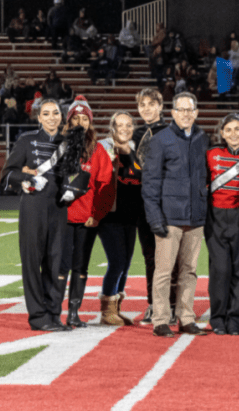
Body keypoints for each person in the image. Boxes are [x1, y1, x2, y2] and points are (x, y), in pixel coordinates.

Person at [141, 92, 210, 338]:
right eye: (181, 110)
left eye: (190, 109)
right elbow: (149, 183)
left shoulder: (203, 138)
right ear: (172, 113)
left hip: (195, 218)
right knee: (163, 271)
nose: (186, 114)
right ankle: (160, 319)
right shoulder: (160, 140)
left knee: (189, 271)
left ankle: (186, 317)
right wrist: (155, 217)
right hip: (169, 218)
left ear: (197, 112)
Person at [0, 99, 68, 331]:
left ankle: (54, 314)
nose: (51, 117)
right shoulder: (26, 141)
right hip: (33, 208)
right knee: (32, 263)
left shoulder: (67, 144)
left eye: (55, 113)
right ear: (38, 118)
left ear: (61, 117)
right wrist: (26, 178)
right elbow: (7, 175)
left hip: (60, 210)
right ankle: (38, 317)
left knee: (56, 263)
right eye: (46, 113)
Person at [59, 96, 115, 329]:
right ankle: (54, 310)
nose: (81, 122)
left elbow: (106, 186)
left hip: (86, 218)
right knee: (60, 265)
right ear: (69, 121)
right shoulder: (59, 145)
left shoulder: (98, 149)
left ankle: (73, 312)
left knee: (80, 265)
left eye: (85, 118)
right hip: (61, 216)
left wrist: (98, 214)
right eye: (76, 118)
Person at [206, 113, 239, 336]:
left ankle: (236, 319)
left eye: (238, 129)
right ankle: (217, 318)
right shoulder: (211, 154)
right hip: (216, 218)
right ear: (222, 133)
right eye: (229, 130)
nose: (234, 134)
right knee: (220, 271)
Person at [131, 89, 173, 325]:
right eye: (142, 105)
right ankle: (153, 304)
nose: (146, 108)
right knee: (150, 256)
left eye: (151, 104)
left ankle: (173, 304)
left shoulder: (171, 131)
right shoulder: (134, 134)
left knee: (170, 257)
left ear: (160, 105)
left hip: (167, 202)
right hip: (141, 204)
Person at [96, 111, 140, 326]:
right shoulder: (102, 147)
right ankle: (106, 310)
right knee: (117, 261)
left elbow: (141, 172)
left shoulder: (136, 147)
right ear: (112, 127)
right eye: (120, 125)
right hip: (108, 215)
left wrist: (129, 152)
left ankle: (116, 307)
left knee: (127, 263)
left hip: (130, 215)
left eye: (128, 125)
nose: (124, 128)